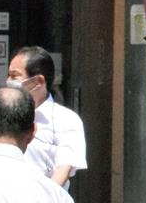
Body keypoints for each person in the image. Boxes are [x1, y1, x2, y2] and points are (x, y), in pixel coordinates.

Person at [5, 45, 87, 189]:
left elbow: (64, 168)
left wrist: (43, 201)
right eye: (8, 75)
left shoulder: (66, 120)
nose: (8, 81)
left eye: (14, 76)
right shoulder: (3, 113)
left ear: (38, 82)